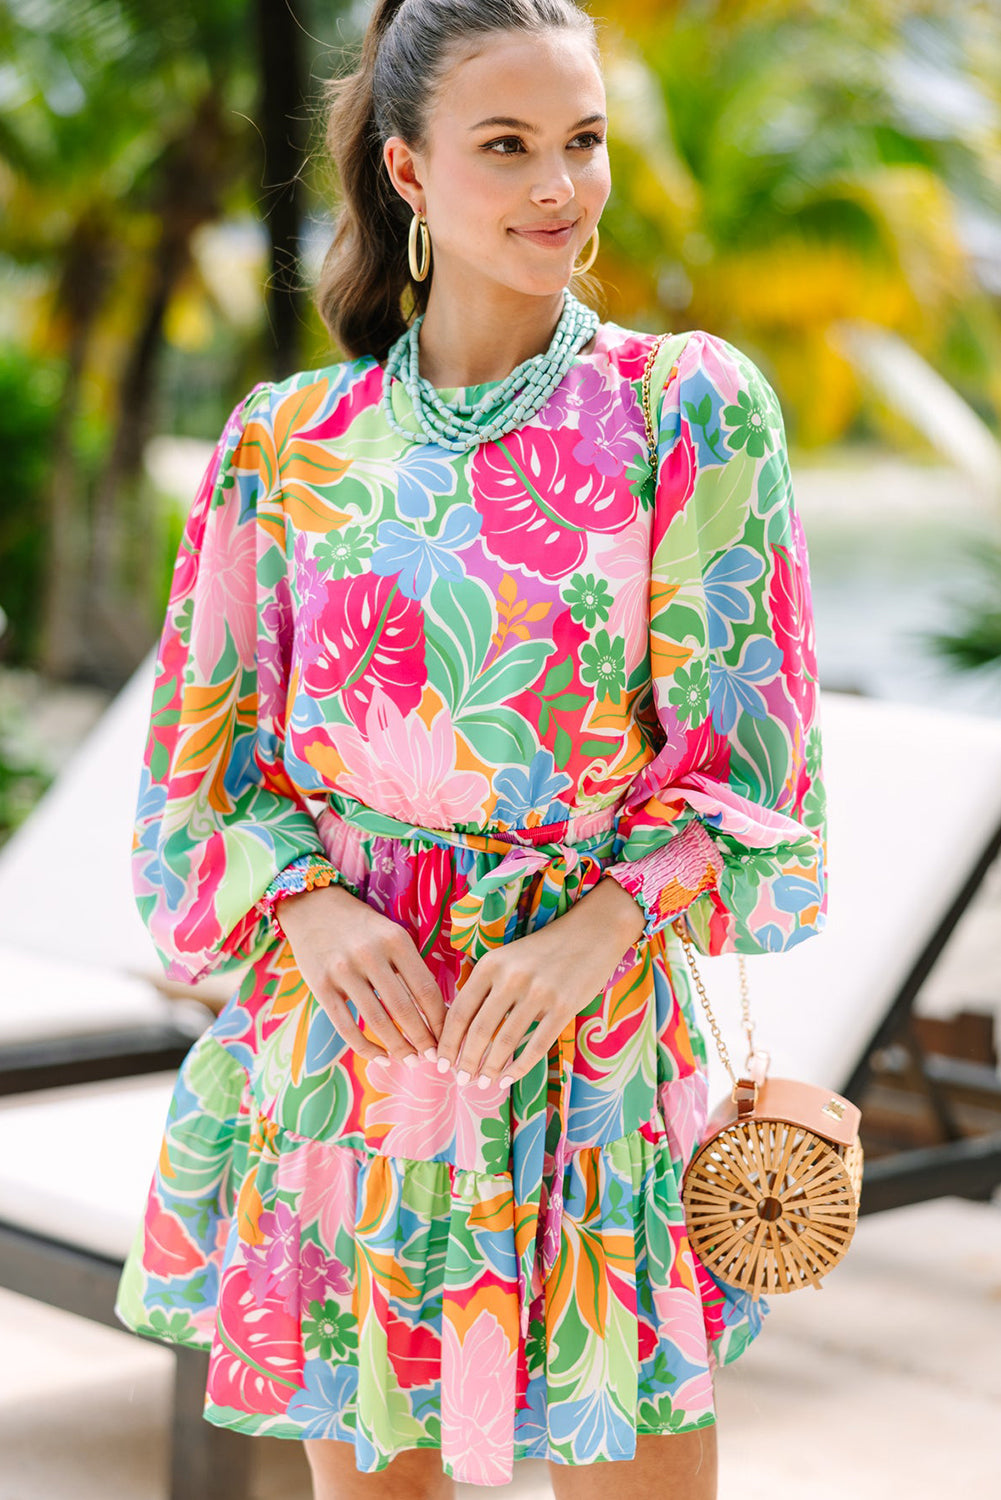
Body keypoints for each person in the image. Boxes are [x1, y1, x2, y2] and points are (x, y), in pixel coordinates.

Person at [114, 1, 827, 1496]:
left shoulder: (683, 408)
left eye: (582, 140)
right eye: (506, 145)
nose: (559, 187)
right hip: (348, 1057)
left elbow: (750, 768)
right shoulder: (289, 443)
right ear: (408, 172)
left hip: (591, 1053)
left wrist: (601, 927)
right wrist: (306, 904)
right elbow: (207, 755)